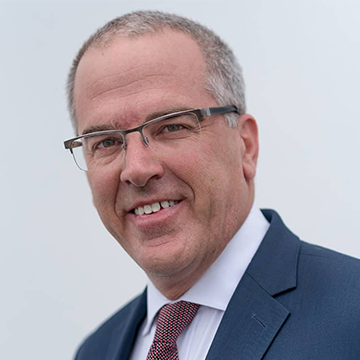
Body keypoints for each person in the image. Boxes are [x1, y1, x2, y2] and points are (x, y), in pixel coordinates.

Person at [64, 10, 360, 360]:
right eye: (106, 142)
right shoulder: (96, 351)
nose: (137, 169)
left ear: (245, 145)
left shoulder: (351, 315)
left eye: (171, 126)